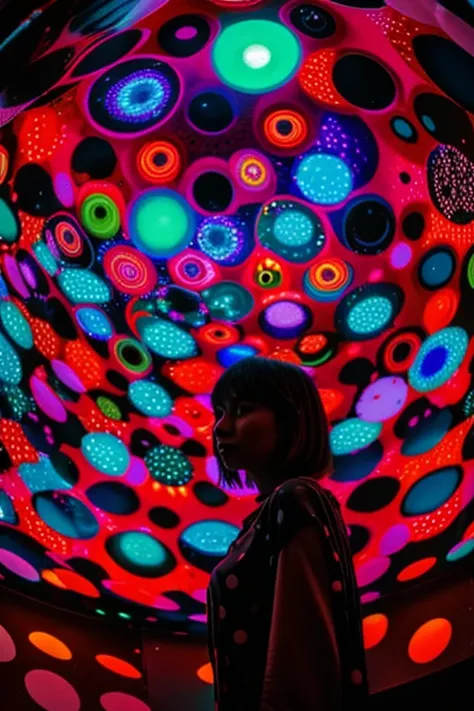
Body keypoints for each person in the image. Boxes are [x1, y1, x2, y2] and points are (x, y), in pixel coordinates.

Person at [206, 356, 369, 711]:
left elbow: (302, 653)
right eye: (219, 412)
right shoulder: (266, 517)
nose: (220, 427)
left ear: (292, 420)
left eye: (243, 409)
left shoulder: (297, 498)